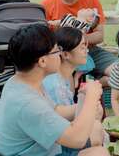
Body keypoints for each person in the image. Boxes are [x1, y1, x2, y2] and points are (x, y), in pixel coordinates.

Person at [0, 24, 108, 156]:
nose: (60, 54)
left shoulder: (20, 81)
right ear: (42, 61)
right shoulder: (27, 102)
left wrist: (84, 104)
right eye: (56, 50)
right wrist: (91, 98)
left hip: (43, 148)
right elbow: (76, 139)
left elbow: (55, 110)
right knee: (99, 152)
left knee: (96, 130)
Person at [43, 27, 105, 156]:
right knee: (96, 130)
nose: (86, 51)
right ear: (65, 54)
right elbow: (59, 127)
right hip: (59, 146)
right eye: (82, 47)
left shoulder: (68, 77)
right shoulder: (54, 84)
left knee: (96, 124)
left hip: (65, 137)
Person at [41, 0, 117, 82]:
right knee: (65, 80)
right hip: (63, 56)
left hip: (90, 50)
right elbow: (46, 41)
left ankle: (93, 83)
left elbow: (99, 36)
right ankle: (86, 84)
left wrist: (78, 38)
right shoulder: (47, 4)